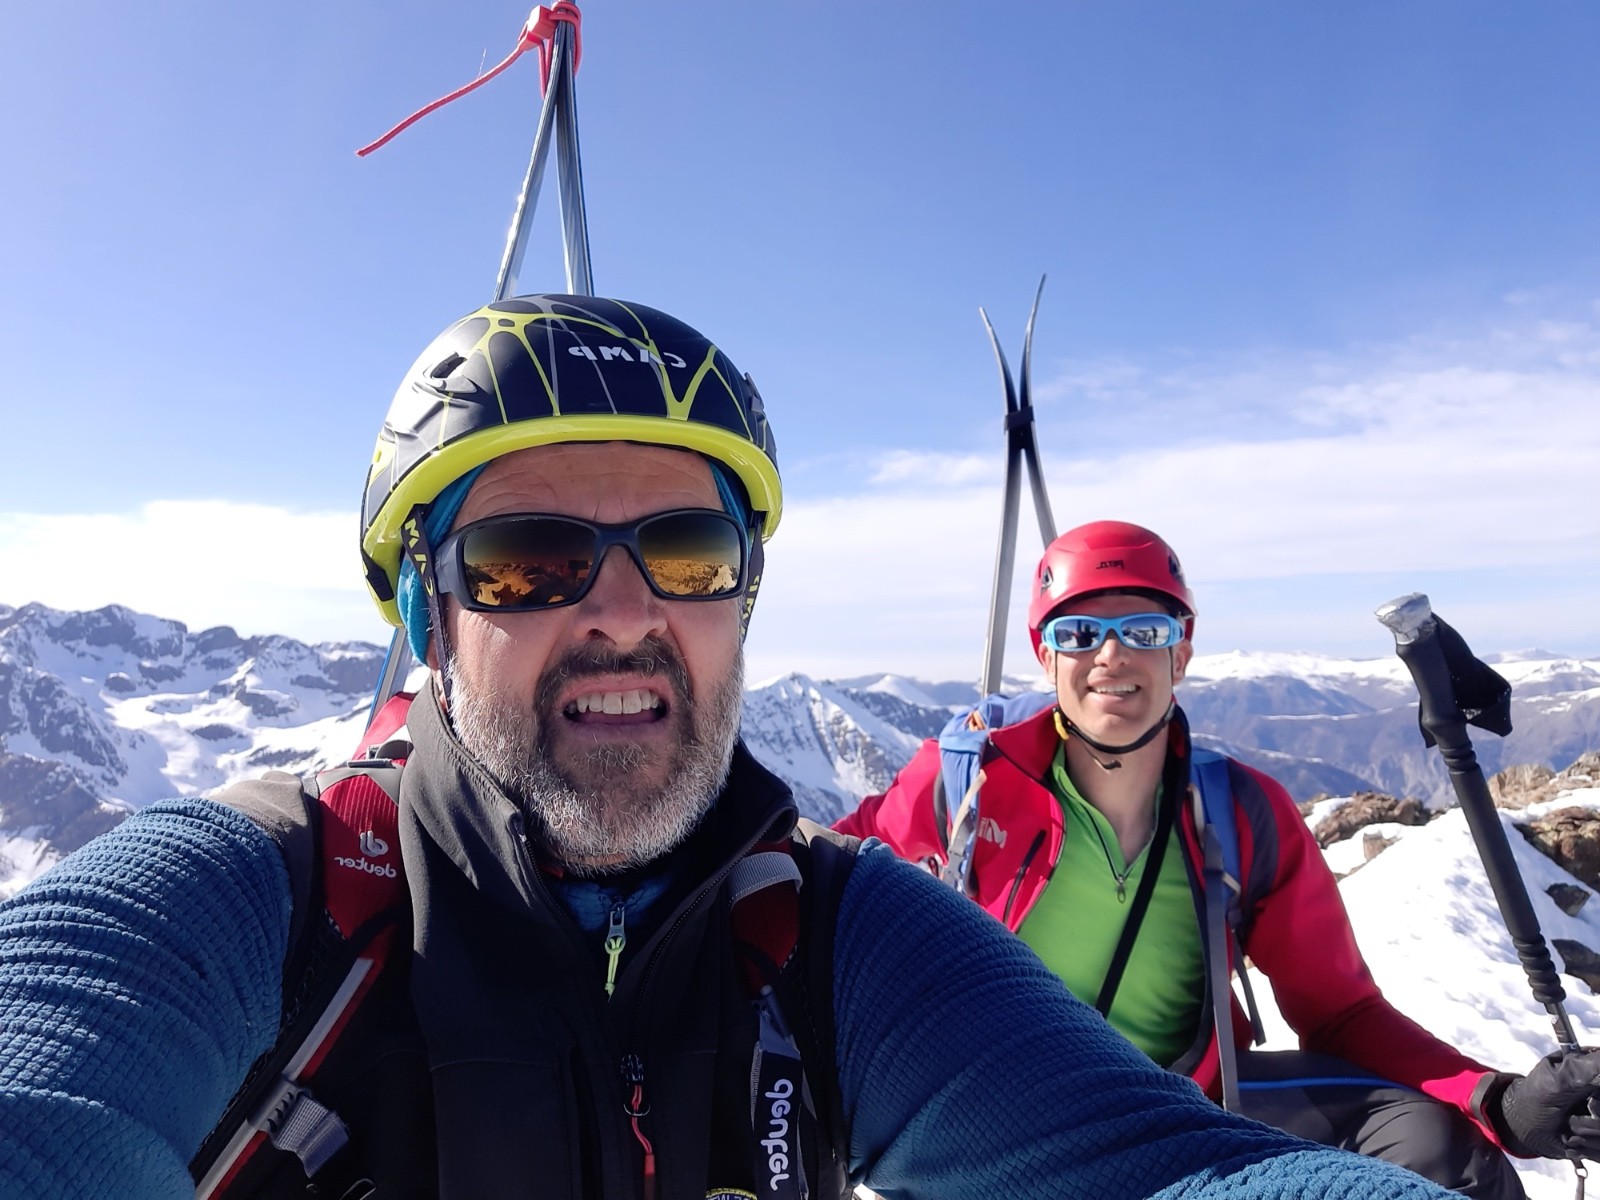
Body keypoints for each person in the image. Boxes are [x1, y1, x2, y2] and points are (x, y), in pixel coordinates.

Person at [0, 297, 1473, 1200]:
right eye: (527, 559)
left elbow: (1166, 1168)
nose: (623, 611)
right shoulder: (268, 899)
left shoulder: (824, 934)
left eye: (689, 551)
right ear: (423, 612)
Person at [835, 519, 1600, 1199]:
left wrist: (1495, 1100)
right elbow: (826, 876)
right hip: (1001, 1121)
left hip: (1182, 1110)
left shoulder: (1240, 814)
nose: (1111, 655)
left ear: (1182, 651)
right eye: (1079, 633)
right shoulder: (967, 784)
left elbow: (1341, 1012)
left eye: (1145, 630)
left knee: (1437, 1149)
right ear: (1045, 654)